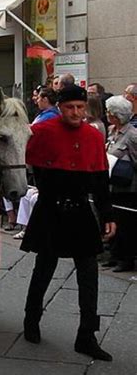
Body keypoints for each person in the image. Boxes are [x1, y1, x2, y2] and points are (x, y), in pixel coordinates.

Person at [21, 85, 116, 361]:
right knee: (44, 269)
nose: (76, 112)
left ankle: (87, 335)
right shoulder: (39, 132)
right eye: (70, 107)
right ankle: (31, 320)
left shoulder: (93, 136)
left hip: (80, 213)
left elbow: (100, 181)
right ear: (59, 108)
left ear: (86, 108)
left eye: (80, 107)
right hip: (50, 210)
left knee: (89, 275)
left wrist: (107, 214)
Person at [104, 95, 137, 272]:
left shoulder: (132, 135)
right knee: (113, 219)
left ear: (116, 115)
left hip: (128, 187)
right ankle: (114, 255)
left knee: (126, 224)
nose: (106, 114)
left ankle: (126, 258)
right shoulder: (112, 131)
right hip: (112, 184)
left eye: (109, 111)